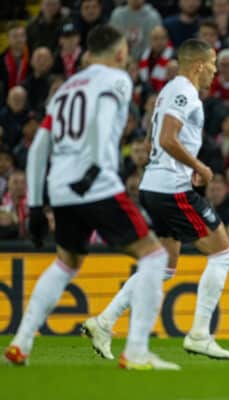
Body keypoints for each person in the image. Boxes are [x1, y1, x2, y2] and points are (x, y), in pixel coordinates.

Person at [3, 25, 178, 370]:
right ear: (117, 54)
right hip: (94, 181)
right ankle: (137, 351)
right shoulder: (117, 79)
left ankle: (21, 343)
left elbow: (39, 146)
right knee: (155, 257)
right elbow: (101, 118)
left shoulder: (66, 88)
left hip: (60, 187)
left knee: (65, 262)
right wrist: (96, 168)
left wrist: (37, 205)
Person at [82, 38, 229, 362]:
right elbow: (166, 138)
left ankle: (104, 322)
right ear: (198, 65)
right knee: (223, 254)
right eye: (211, 66)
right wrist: (199, 167)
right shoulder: (184, 91)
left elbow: (165, 139)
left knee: (163, 267)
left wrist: (186, 164)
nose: (214, 73)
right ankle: (199, 334)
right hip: (171, 188)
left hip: (157, 185)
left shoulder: (170, 90)